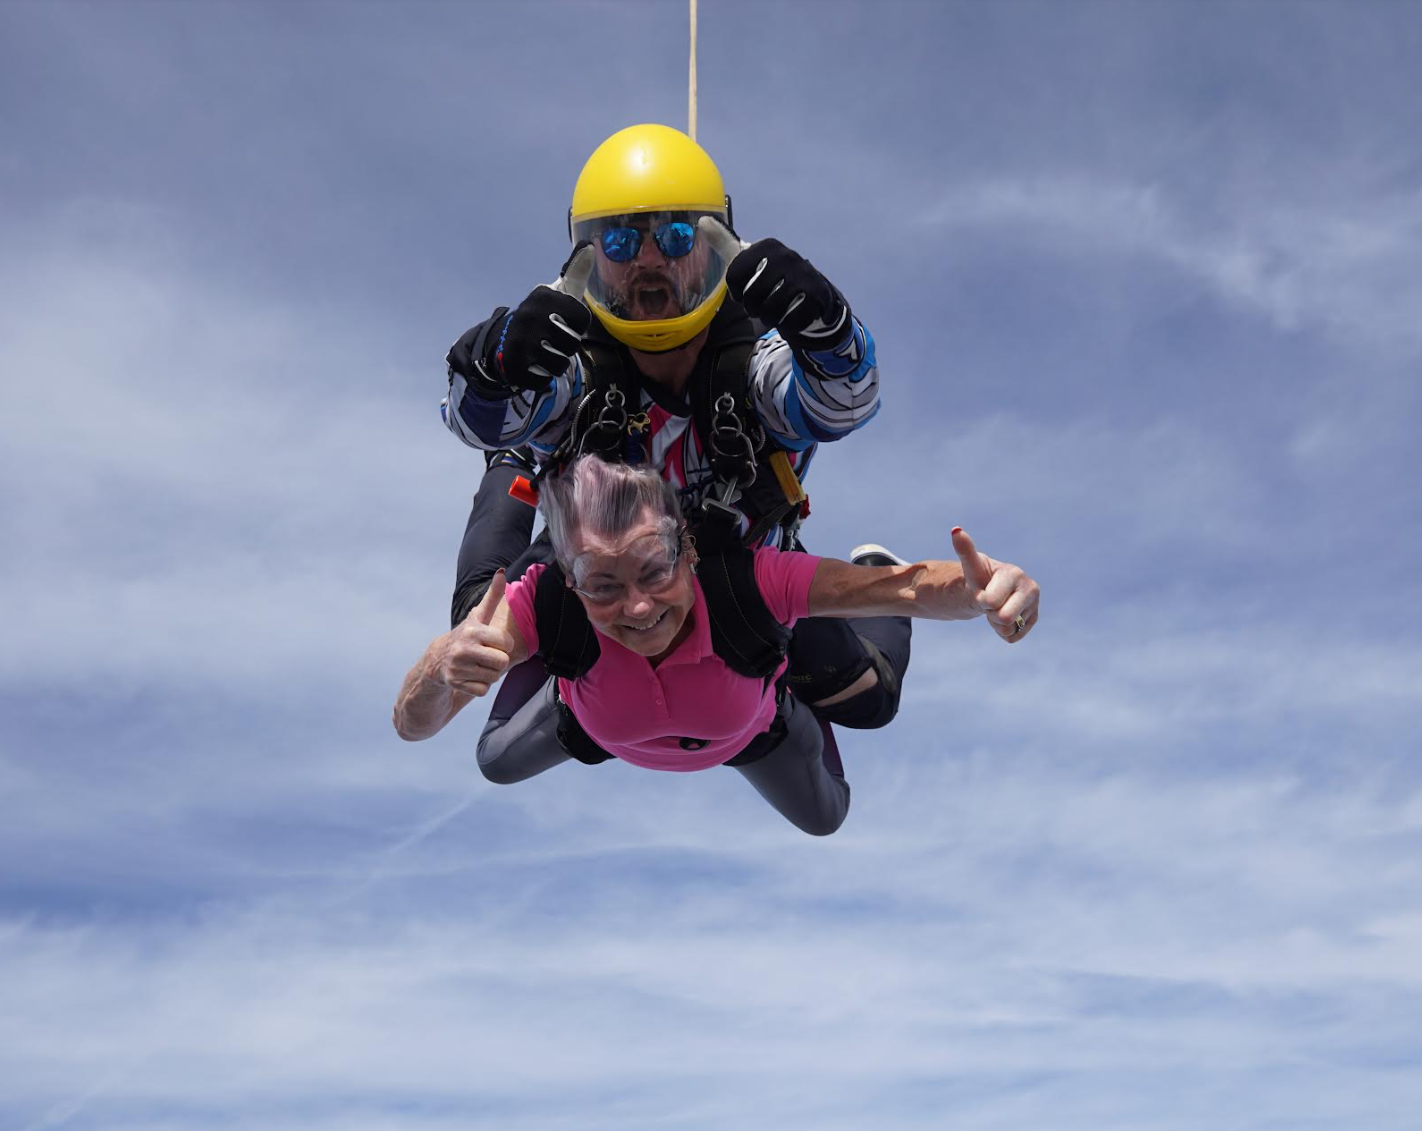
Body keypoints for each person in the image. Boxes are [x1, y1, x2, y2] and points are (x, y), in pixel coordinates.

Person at [440, 123, 906, 739]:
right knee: (478, 620)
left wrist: (831, 335)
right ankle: (589, 688)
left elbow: (838, 405)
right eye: (621, 241)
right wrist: (492, 365)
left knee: (867, 703)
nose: (649, 260)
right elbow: (484, 420)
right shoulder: (573, 361)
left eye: (675, 235)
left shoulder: (751, 361)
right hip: (603, 574)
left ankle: (862, 588)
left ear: (713, 246)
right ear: (589, 254)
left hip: (739, 568)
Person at [393, 456, 1041, 836]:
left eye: (654, 571)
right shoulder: (543, 602)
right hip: (595, 718)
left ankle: (792, 680)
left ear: (689, 551)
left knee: (827, 815)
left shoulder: (749, 581)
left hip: (752, 729)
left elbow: (902, 591)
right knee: (493, 760)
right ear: (571, 580)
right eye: (604, 586)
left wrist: (986, 590)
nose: (639, 607)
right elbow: (414, 726)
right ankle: (510, 470)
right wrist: (437, 665)